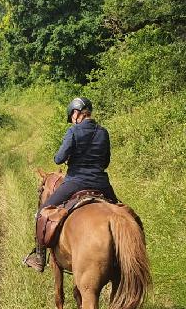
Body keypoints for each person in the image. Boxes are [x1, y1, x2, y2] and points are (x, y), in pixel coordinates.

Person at [23, 97, 118, 272]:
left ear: (76, 113)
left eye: (72, 116)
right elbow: (105, 162)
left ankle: (39, 257)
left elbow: (59, 159)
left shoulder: (73, 132)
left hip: (76, 182)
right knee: (123, 211)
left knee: (41, 213)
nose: (72, 119)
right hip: (102, 184)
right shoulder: (103, 132)